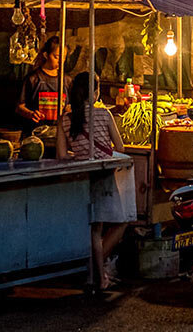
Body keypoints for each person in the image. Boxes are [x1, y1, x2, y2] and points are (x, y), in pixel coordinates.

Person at [58, 70, 132, 293]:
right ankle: (99, 276)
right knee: (120, 222)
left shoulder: (64, 120)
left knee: (93, 227)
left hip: (80, 179)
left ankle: (95, 275)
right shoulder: (104, 115)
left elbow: (61, 156)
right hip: (103, 176)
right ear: (96, 92)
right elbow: (120, 149)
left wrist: (80, 154)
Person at [18, 36, 64, 127]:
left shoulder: (66, 81)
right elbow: (20, 107)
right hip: (36, 131)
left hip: (59, 132)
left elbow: (69, 106)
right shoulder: (33, 79)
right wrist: (31, 114)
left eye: (64, 57)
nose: (61, 61)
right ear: (46, 55)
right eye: (57, 57)